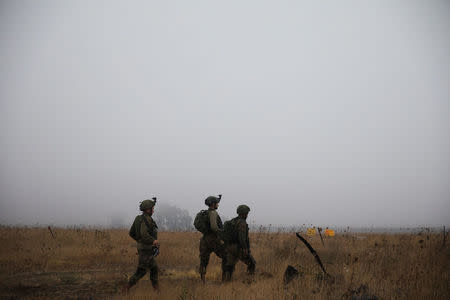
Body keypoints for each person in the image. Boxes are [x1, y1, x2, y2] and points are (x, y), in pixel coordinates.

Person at [125, 198, 160, 292]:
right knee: (141, 271)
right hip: (145, 250)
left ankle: (156, 291)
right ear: (147, 209)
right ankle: (126, 288)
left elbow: (131, 233)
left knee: (154, 269)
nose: (153, 210)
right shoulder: (145, 220)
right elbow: (144, 234)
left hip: (146, 249)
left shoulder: (139, 218)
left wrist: (139, 241)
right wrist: (153, 241)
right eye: (152, 208)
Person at [222, 205, 256, 281]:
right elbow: (242, 238)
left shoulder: (234, 221)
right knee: (252, 263)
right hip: (238, 248)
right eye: (247, 213)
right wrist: (245, 248)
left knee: (230, 265)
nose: (247, 215)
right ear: (244, 213)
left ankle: (226, 282)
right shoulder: (242, 223)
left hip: (229, 247)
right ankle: (249, 281)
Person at [198, 195, 226, 282]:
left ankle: (202, 280)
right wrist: (221, 234)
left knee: (204, 260)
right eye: (217, 203)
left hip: (204, 239)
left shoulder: (205, 213)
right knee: (226, 256)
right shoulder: (213, 213)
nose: (218, 204)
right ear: (213, 204)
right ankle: (225, 279)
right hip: (213, 239)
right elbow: (214, 227)